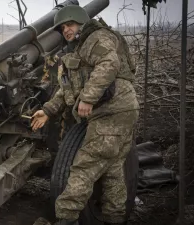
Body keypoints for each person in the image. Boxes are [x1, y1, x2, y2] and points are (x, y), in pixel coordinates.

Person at [31, 5, 139, 225]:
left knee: (84, 167)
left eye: (69, 24)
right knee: (112, 168)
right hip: (121, 110)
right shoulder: (81, 49)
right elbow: (68, 88)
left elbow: (109, 63)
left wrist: (88, 98)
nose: (66, 31)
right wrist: (48, 110)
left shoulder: (97, 38)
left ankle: (65, 219)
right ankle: (114, 218)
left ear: (81, 21)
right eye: (62, 28)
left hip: (112, 111)